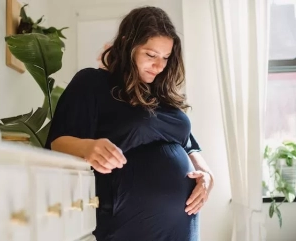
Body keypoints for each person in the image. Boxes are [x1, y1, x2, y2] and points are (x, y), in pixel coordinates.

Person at [45, 6, 214, 241]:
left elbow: (189, 144)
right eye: (151, 55)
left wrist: (206, 175)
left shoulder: (163, 95)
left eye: (166, 57)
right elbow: (57, 142)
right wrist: (88, 148)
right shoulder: (94, 84)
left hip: (182, 226)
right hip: (128, 224)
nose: (159, 66)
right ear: (127, 45)